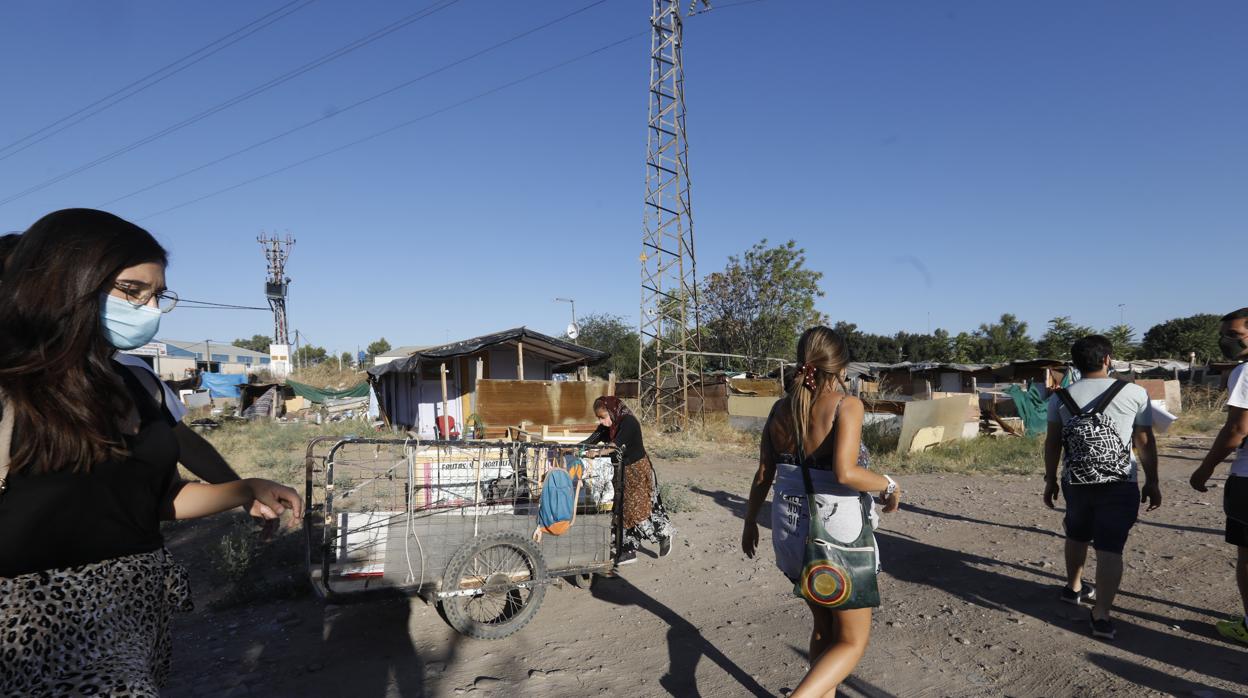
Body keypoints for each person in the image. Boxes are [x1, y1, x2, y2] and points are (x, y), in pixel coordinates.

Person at [0, 208, 303, 696]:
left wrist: (243, 489)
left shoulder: (136, 384)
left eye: (157, 295)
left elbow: (159, 500)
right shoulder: (12, 391)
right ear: (64, 284)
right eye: (131, 291)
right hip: (36, 626)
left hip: (138, 607)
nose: (148, 308)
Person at [741, 326, 901, 697]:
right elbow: (846, 472)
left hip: (790, 530)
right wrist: (890, 485)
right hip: (836, 537)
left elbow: (764, 472)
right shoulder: (847, 405)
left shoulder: (781, 408)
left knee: (823, 629)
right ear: (842, 366)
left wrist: (750, 521)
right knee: (851, 641)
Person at [1043, 334, 1160, 641]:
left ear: (1075, 364)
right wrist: (1153, 480)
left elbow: (1053, 443)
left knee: (1076, 532)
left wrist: (1050, 479)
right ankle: (1102, 616)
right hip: (1119, 482)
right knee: (1110, 547)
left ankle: (1074, 588)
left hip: (1076, 481)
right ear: (1108, 359)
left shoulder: (1060, 397)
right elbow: (1144, 440)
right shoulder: (1134, 393)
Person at [1189, 307, 1248, 645]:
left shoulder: (1245, 372)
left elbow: (1237, 429)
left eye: (1234, 334)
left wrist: (1205, 467)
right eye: (1224, 334)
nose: (1226, 341)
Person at [582, 395, 673, 565]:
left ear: (612, 411)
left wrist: (597, 453)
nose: (601, 422)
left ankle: (662, 534)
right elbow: (591, 440)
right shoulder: (609, 426)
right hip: (622, 471)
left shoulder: (628, 423)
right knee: (623, 509)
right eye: (599, 418)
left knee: (640, 507)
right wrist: (570, 448)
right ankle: (627, 550)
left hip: (638, 469)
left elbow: (614, 445)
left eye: (603, 417)